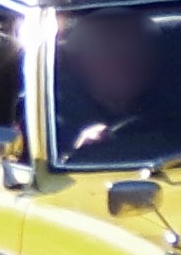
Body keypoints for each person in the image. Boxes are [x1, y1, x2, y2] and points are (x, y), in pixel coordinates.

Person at [55, 9, 160, 152]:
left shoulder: (180, 106)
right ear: (78, 62)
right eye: (107, 48)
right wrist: (79, 153)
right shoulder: (52, 121)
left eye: (135, 47)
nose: (126, 61)